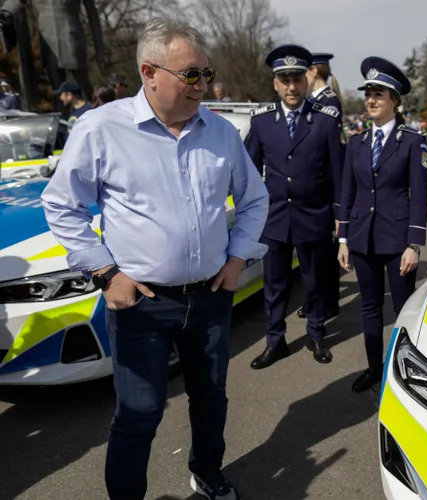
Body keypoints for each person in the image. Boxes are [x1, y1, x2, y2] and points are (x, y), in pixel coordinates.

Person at [40, 17, 269, 500]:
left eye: (205, 74)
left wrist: (236, 260)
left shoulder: (221, 133)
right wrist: (105, 272)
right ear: (149, 72)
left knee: (211, 401)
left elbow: (254, 200)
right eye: (191, 74)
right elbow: (61, 204)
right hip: (141, 304)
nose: (202, 85)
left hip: (208, 299)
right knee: (140, 412)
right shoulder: (102, 129)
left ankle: (206, 473)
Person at [244, 44, 345, 370]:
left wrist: (339, 218)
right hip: (274, 219)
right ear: (275, 83)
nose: (291, 86)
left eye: (296, 79)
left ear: (306, 80)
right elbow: (248, 172)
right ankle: (275, 341)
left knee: (314, 281)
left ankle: (316, 334)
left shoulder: (325, 122)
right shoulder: (261, 123)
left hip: (314, 216)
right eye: (284, 80)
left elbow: (338, 176)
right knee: (274, 285)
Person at [337, 57, 427, 393]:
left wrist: (414, 244)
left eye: (380, 94)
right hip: (362, 239)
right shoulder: (357, 143)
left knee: (403, 310)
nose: (372, 100)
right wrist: (344, 239)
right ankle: (374, 367)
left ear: (395, 100)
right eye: (369, 94)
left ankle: (406, 373)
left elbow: (419, 197)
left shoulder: (412, 142)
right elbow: (347, 192)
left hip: (396, 241)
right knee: (369, 305)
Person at [297, 51, 344, 321]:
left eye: (304, 71)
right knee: (317, 255)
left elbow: (327, 150)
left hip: (322, 186)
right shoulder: (315, 100)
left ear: (313, 71)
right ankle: (317, 301)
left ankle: (326, 303)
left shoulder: (329, 102)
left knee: (324, 254)